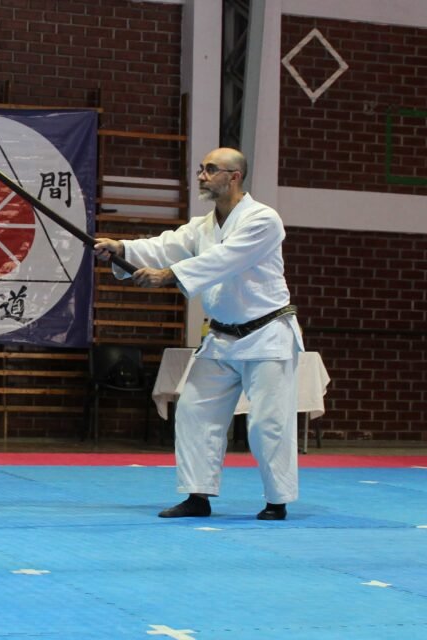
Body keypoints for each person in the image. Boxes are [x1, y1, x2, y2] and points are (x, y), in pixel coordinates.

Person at [93, 147, 302, 521]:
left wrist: (168, 275)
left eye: (211, 170)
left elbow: (223, 260)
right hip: (222, 337)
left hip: (267, 335)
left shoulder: (263, 220)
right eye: (201, 169)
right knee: (193, 410)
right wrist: (122, 247)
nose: (202, 176)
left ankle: (276, 500)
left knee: (268, 422)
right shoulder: (203, 226)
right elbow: (165, 244)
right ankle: (197, 495)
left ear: (234, 176)